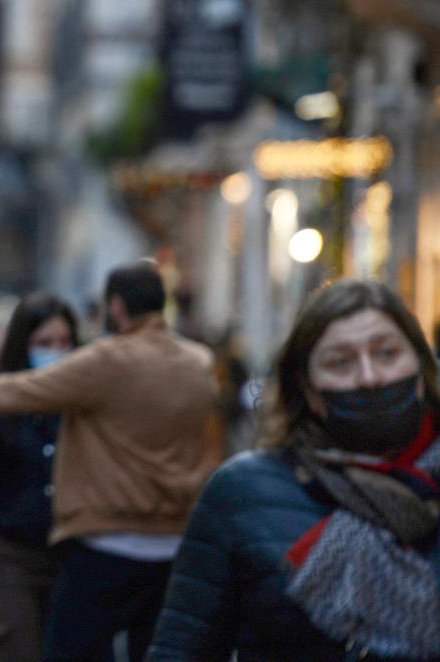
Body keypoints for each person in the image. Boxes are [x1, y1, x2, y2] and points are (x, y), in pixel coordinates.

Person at [0, 261, 221, 662]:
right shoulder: (200, 364)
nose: (56, 352)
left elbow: (17, 390)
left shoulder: (105, 361)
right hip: (173, 542)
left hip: (105, 541)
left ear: (115, 307)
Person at [150, 279, 440, 660]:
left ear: (420, 369)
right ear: (309, 391)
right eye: (341, 362)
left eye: (386, 353)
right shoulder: (242, 493)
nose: (369, 377)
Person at [0, 292, 80, 662]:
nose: (56, 351)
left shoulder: (84, 403)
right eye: (44, 343)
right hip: (12, 558)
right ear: (23, 345)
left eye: (64, 342)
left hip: (75, 560)